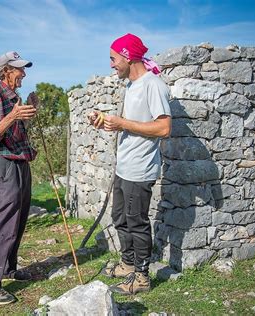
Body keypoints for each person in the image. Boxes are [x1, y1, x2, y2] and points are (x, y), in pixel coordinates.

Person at [89, 34, 171, 295]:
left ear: (127, 56)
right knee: (120, 218)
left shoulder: (153, 85)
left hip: (140, 169)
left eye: (113, 59)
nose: (112, 65)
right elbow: (135, 125)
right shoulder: (131, 86)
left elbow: (164, 128)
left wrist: (122, 123)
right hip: (124, 167)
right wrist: (107, 122)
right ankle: (127, 265)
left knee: (136, 221)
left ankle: (143, 278)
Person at [0, 51, 37, 305]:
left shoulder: (16, 98)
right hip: (4, 165)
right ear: (6, 71)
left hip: (21, 162)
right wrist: (13, 116)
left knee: (19, 219)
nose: (23, 73)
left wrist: (29, 112)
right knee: (3, 223)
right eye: (19, 69)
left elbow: (17, 134)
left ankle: (9, 268)